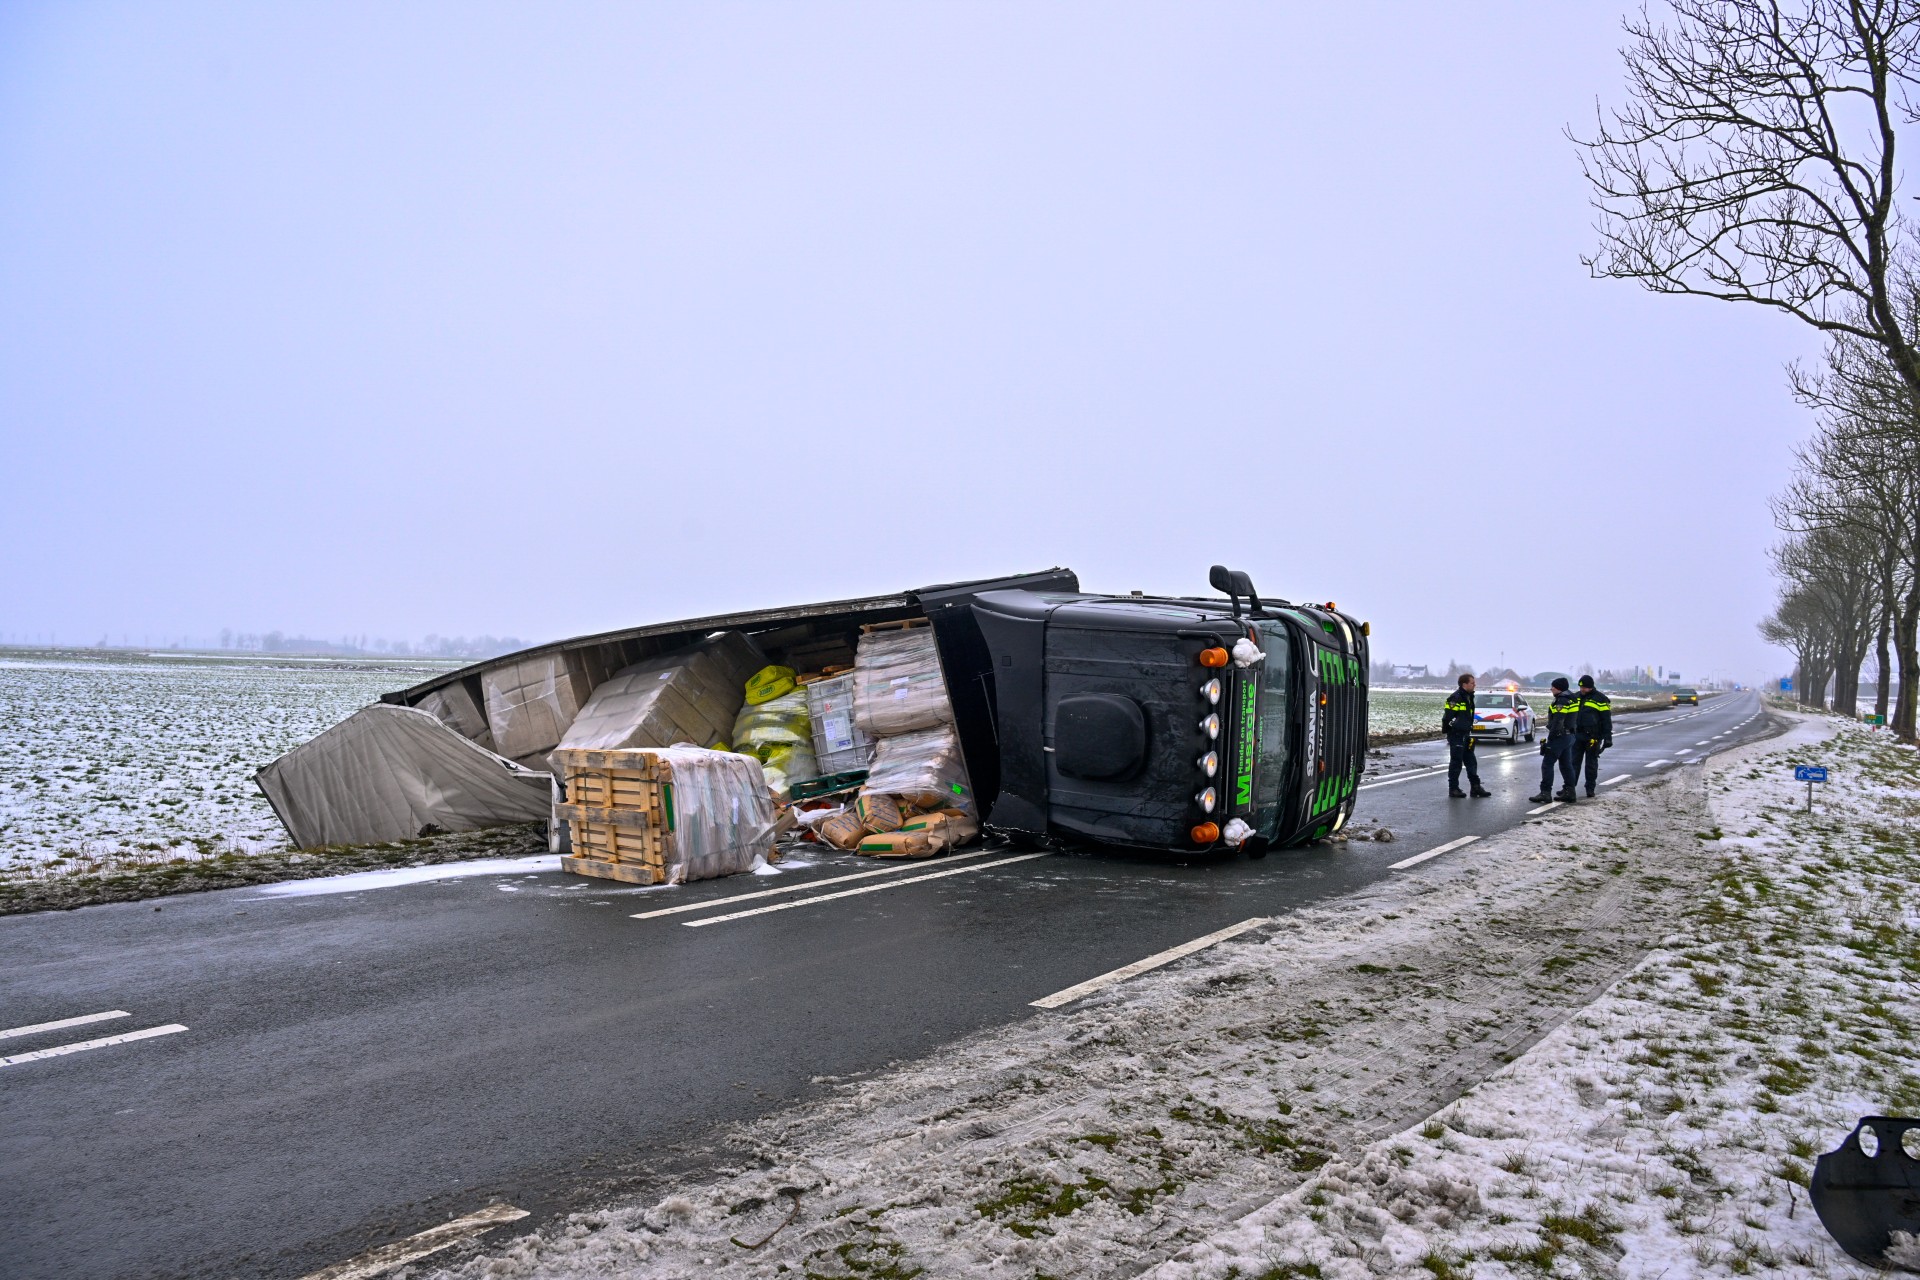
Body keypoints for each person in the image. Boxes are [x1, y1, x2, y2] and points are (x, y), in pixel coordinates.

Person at [1528, 677, 1580, 803]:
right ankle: (1570, 792)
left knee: (1547, 764)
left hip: (1559, 736)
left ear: (1559, 688)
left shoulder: (1561, 700)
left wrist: (1551, 737)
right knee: (1566, 765)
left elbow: (1558, 720)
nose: (1551, 689)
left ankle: (1545, 793)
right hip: (1570, 736)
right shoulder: (1572, 698)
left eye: (1553, 686)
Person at [1441, 673, 1491, 798]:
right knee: (1456, 762)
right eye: (1472, 683)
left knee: (1471, 761)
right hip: (1457, 735)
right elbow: (1448, 717)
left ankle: (1476, 787)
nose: (1475, 685)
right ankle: (1453, 788)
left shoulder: (1468, 697)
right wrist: (1454, 729)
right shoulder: (1455, 698)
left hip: (1466, 734)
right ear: (1464, 684)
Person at [1572, 674, 1613, 797]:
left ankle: (1590, 788)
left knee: (1591, 764)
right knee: (1573, 763)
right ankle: (1570, 788)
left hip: (1593, 737)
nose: (1582, 690)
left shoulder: (1600, 699)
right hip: (1577, 735)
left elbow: (1606, 720)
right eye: (1581, 687)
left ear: (1590, 687)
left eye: (1584, 688)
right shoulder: (1575, 697)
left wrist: (1607, 737)